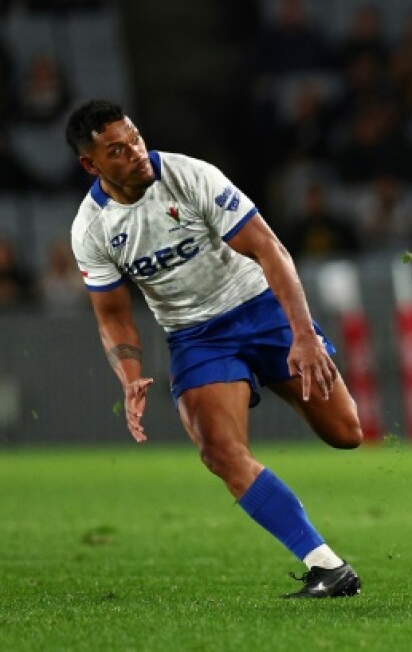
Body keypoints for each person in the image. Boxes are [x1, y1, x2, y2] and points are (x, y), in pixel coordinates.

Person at [66, 99, 363, 598]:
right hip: (196, 335)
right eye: (117, 150)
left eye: (135, 137)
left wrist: (303, 335)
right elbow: (114, 315)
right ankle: (327, 567)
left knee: (346, 433)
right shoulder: (91, 229)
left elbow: (269, 248)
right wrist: (130, 375)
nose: (136, 152)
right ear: (90, 164)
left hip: (261, 308)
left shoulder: (189, 176)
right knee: (220, 452)